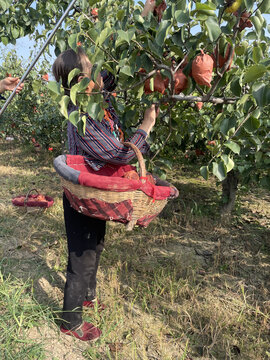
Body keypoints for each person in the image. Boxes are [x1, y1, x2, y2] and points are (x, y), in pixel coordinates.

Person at [52, 0, 177, 343]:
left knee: (98, 245)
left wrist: (147, 17)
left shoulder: (96, 95)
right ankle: (70, 321)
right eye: (91, 70)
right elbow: (118, 153)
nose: (99, 74)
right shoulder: (81, 113)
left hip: (99, 190)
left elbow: (119, 67)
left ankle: (88, 300)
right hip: (81, 192)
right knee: (81, 256)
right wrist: (146, 129)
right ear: (80, 81)